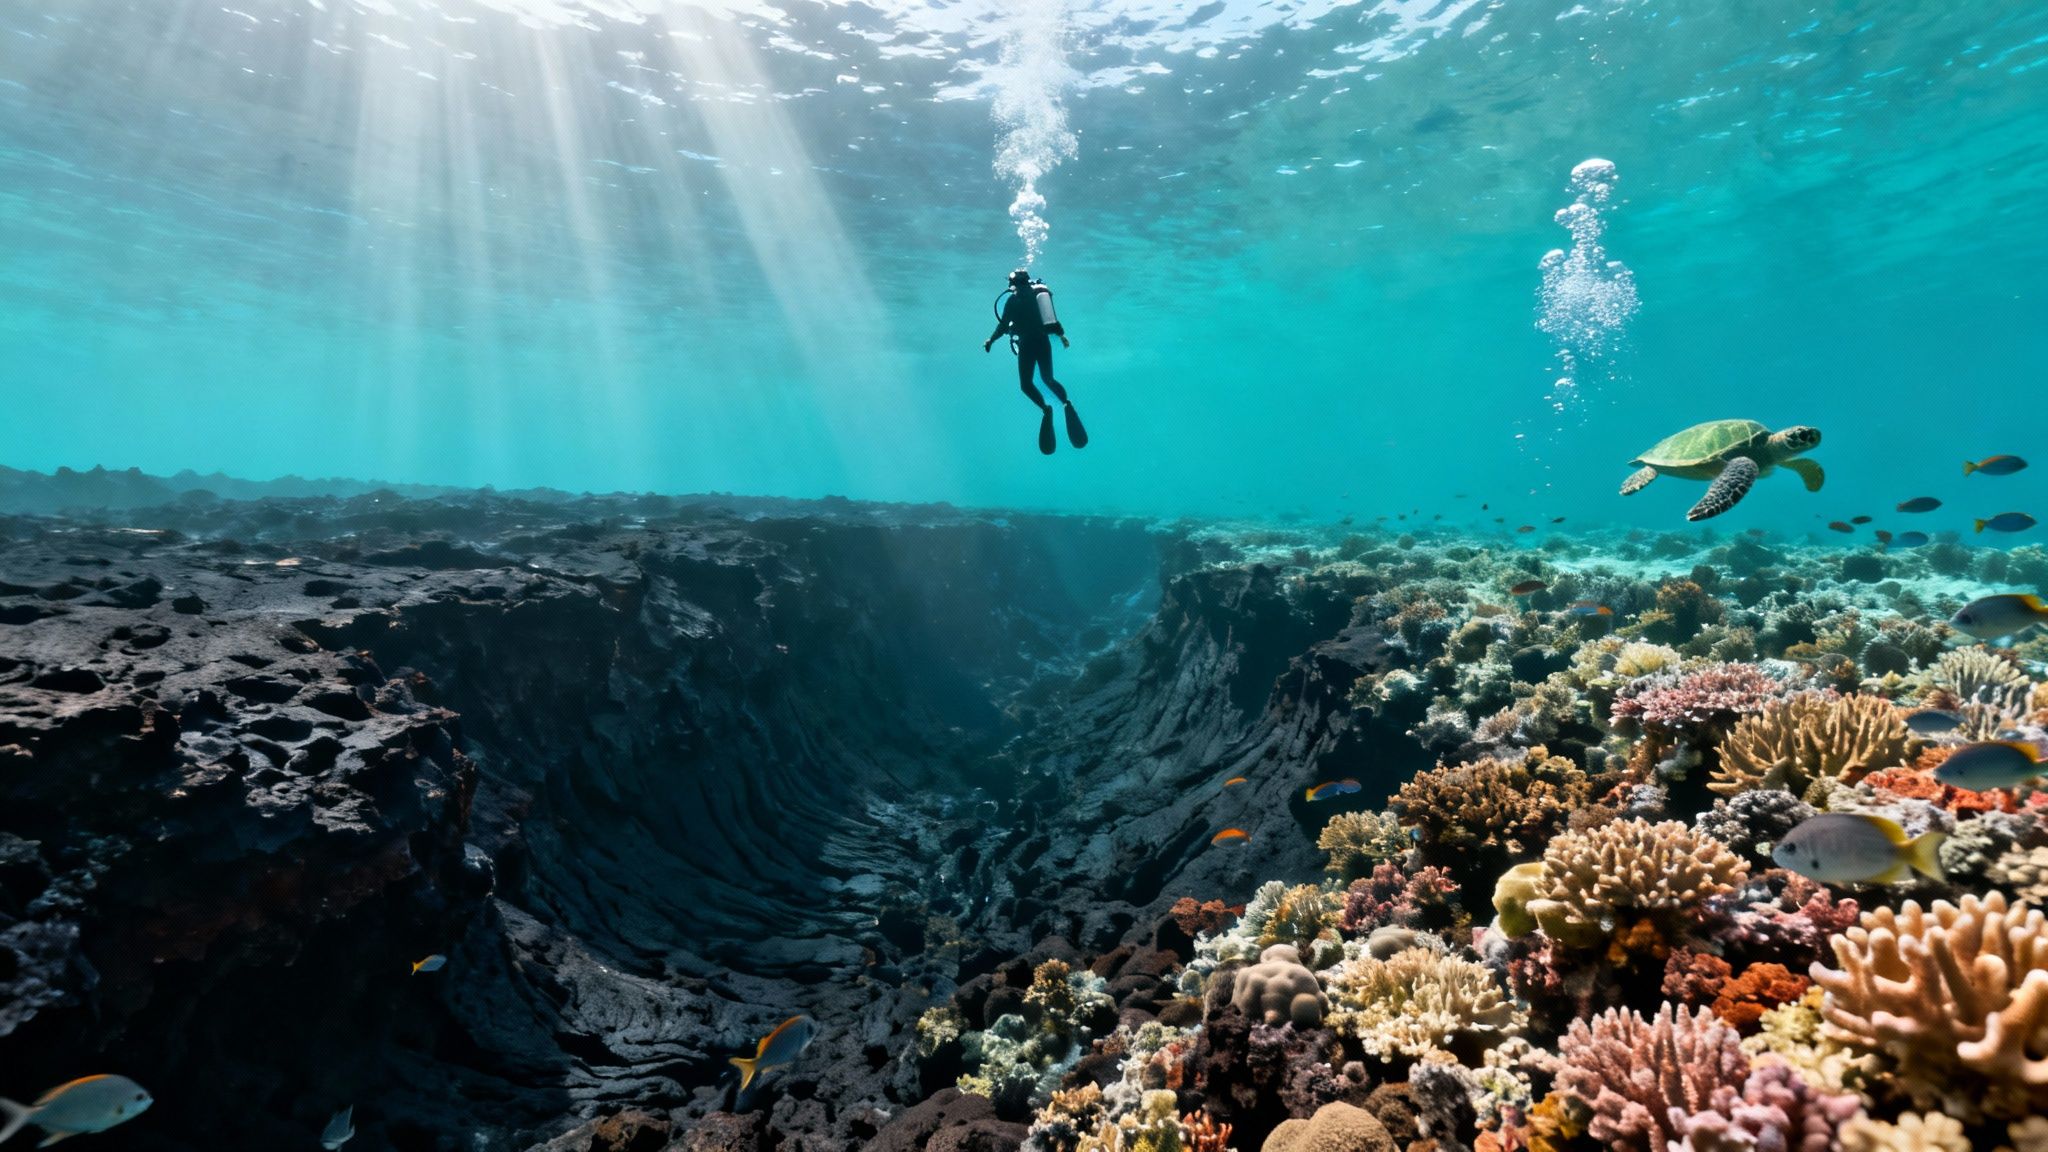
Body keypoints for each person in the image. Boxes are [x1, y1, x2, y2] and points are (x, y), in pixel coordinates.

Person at [984, 269, 1087, 454]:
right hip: (1042, 342)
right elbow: (1051, 320)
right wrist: (1062, 336)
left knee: (1026, 385)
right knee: (1048, 379)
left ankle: (1046, 409)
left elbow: (1002, 325)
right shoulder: (1037, 296)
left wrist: (991, 340)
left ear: (1012, 285)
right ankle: (1066, 403)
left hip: (1027, 344)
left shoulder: (1012, 301)